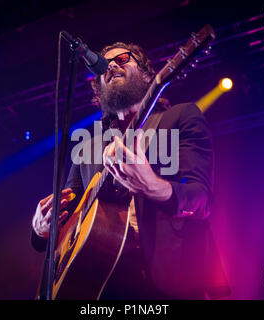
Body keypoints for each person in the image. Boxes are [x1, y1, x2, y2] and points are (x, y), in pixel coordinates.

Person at [31, 42, 230, 299]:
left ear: (148, 75)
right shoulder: (88, 147)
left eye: (123, 59)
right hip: (102, 287)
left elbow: (201, 201)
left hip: (170, 284)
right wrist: (40, 231)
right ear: (98, 89)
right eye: (103, 65)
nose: (112, 65)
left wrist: (154, 186)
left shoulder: (180, 117)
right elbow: (67, 219)